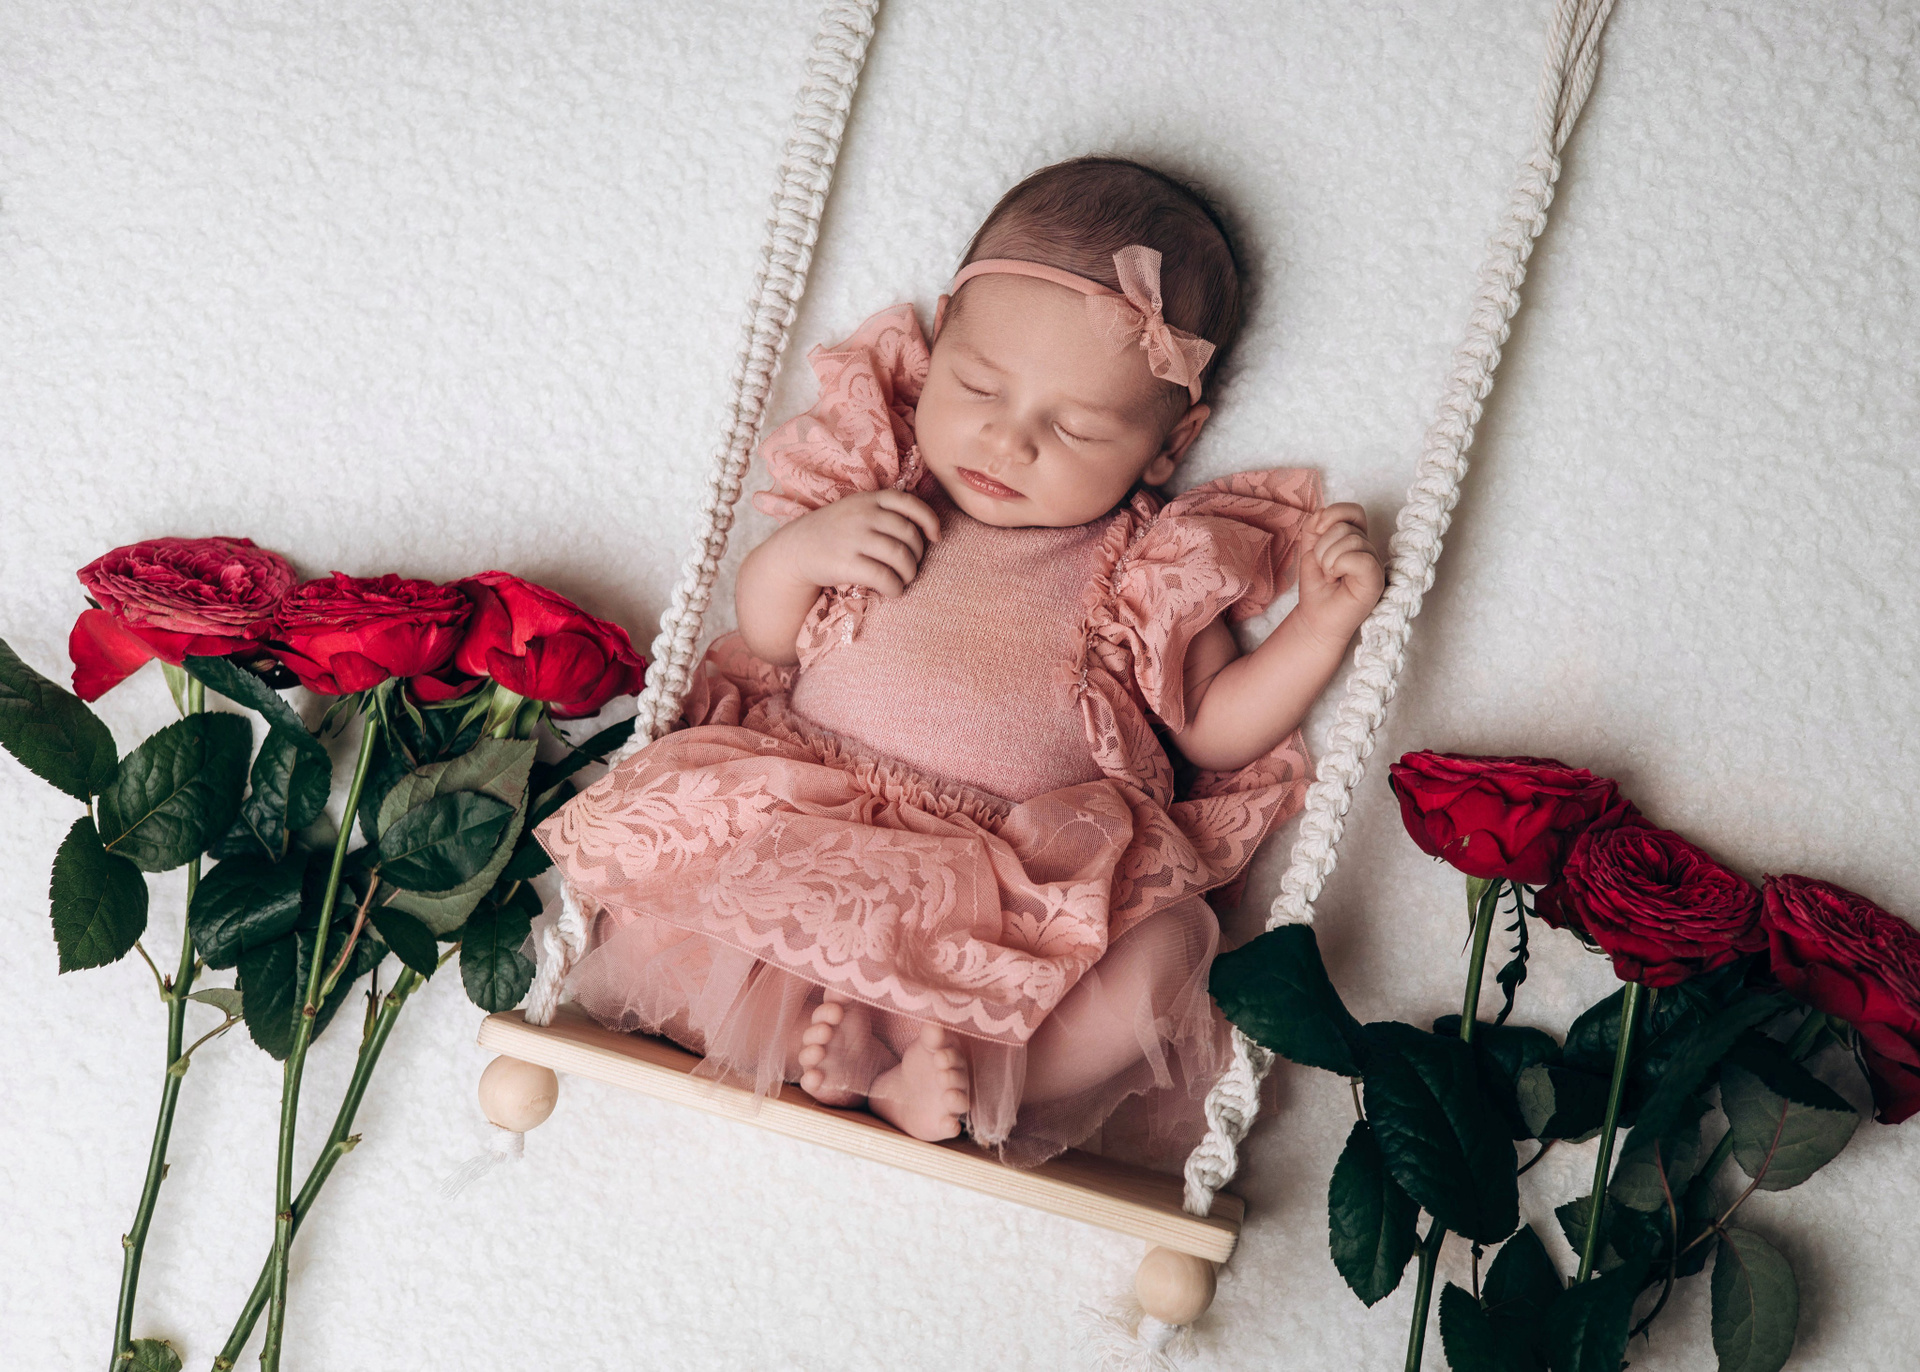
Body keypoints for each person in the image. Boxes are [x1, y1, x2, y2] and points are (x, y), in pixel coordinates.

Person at [535, 155, 1385, 1170]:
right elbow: (766, 636)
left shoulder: (1151, 566)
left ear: (1168, 446)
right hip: (814, 827)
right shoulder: (877, 487)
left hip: (1013, 887)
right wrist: (802, 554)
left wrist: (1319, 628)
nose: (1007, 441)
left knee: (1167, 950)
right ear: (938, 349)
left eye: (1073, 426)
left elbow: (1210, 724)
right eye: (979, 387)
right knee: (664, 887)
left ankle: (959, 1076)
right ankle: (814, 1047)